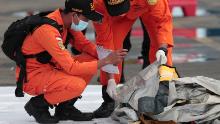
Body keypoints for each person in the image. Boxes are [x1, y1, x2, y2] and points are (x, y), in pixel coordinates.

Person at [17, 0, 128, 123]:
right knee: (77, 85)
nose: (87, 22)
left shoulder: (66, 22)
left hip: (50, 68)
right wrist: (106, 60)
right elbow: (72, 67)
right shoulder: (47, 30)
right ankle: (37, 105)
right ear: (74, 15)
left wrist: (108, 59)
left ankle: (65, 108)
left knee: (93, 57)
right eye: (86, 18)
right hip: (33, 77)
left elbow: (86, 46)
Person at [92, 0, 174, 118]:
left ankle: (164, 90)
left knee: (159, 45)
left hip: (147, 7)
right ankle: (108, 100)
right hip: (115, 15)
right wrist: (110, 80)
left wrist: (163, 48)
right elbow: (104, 40)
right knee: (112, 45)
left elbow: (162, 20)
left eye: (120, 8)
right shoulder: (98, 4)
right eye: (116, 8)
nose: (120, 13)